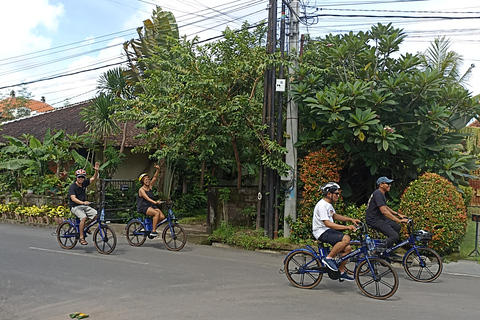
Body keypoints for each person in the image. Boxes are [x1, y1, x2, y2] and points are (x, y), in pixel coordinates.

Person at [312, 182, 361, 281]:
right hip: (321, 232)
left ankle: (341, 271)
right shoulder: (322, 205)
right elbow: (328, 223)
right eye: (336, 193)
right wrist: (346, 227)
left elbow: (334, 216)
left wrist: (350, 219)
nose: (338, 196)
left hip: (327, 230)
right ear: (329, 194)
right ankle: (329, 258)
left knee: (347, 249)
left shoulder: (328, 205)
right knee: (346, 238)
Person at [365, 177, 408, 256]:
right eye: (387, 183)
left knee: (397, 227)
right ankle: (376, 251)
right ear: (381, 185)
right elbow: (384, 211)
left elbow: (385, 207)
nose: (390, 185)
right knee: (394, 236)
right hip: (374, 219)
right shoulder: (378, 193)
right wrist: (399, 220)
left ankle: (388, 250)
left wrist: (398, 214)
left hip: (379, 218)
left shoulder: (381, 194)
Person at [68, 162, 100, 245]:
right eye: (79, 177)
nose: (81, 179)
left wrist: (96, 171)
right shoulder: (72, 187)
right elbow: (73, 198)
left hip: (83, 205)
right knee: (83, 217)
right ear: (76, 178)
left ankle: (85, 225)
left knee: (96, 215)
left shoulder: (84, 183)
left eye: (82, 177)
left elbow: (93, 179)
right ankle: (81, 237)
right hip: (75, 207)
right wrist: (83, 202)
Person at [137, 163, 165, 237]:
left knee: (162, 217)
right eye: (146, 180)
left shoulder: (150, 186)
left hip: (151, 205)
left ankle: (153, 226)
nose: (148, 181)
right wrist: (155, 202)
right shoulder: (141, 190)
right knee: (156, 214)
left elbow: (155, 178)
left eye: (148, 179)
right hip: (144, 206)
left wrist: (158, 169)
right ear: (142, 181)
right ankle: (153, 231)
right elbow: (147, 198)